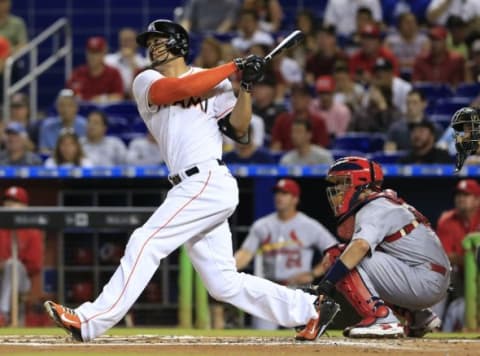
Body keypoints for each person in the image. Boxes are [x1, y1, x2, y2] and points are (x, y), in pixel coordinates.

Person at [44, 19, 339, 343]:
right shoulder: (146, 80)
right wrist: (233, 66)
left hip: (208, 179)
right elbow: (179, 90)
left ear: (179, 44)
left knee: (146, 241)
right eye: (150, 42)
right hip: (189, 184)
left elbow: (239, 131)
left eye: (160, 39)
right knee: (223, 283)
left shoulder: (216, 81)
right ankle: (310, 308)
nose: (153, 45)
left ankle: (89, 320)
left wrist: (246, 87)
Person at [313, 156, 450, 338]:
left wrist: (327, 283)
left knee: (340, 255)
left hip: (424, 279)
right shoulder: (383, 202)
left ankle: (381, 318)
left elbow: (360, 246)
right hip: (428, 275)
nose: (337, 190)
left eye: (343, 183)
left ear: (359, 183)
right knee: (350, 256)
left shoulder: (375, 206)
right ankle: (417, 316)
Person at [234, 178, 339, 329]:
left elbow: (334, 252)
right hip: (269, 290)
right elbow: (245, 253)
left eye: (285, 193)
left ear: (295, 199)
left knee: (298, 340)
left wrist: (312, 274)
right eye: (277, 193)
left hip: (297, 290)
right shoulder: (262, 225)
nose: (279, 197)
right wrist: (227, 269)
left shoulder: (309, 226)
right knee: (261, 337)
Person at [435, 179, 480, 329]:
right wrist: (469, 259)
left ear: (477, 199)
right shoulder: (447, 220)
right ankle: (431, 324)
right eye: (458, 195)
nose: (461, 198)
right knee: (441, 272)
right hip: (459, 277)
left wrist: (463, 258)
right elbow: (445, 256)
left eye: (466, 195)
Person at [0, 186, 44, 326]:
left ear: (24, 206)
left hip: (22, 281)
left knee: (13, 265)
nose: (9, 205)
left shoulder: (32, 231)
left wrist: (9, 265)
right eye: (7, 201)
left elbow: (35, 266)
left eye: (14, 201)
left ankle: (3, 313)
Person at [67, 36, 124, 103]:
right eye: (90, 52)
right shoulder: (78, 73)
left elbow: (118, 97)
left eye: (96, 52)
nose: (93, 56)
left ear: (103, 53)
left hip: (106, 112)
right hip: (82, 111)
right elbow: (68, 96)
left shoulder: (113, 73)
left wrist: (100, 99)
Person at [38, 89, 87, 155]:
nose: (65, 109)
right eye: (62, 105)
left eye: (69, 105)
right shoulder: (47, 126)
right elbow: (43, 150)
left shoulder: (85, 125)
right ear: (57, 107)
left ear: (76, 107)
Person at [104, 28, 150, 99]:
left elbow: (143, 84)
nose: (127, 43)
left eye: (130, 40)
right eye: (124, 40)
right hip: (113, 99)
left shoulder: (144, 62)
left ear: (136, 43)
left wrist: (132, 61)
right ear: (120, 42)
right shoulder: (108, 60)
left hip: (136, 99)